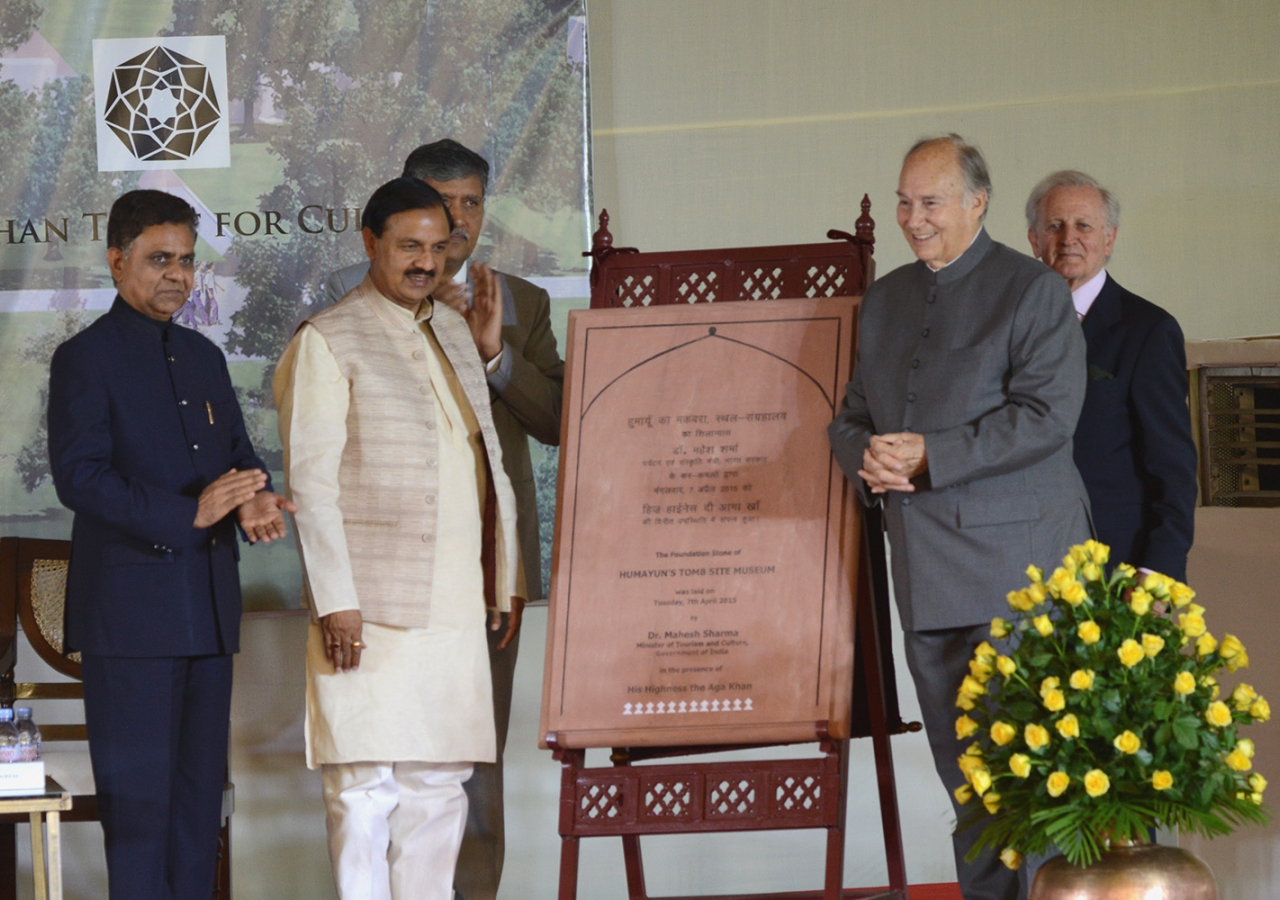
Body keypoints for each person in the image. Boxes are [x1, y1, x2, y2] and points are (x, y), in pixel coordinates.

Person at [828, 135, 1092, 899]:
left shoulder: (1030, 289)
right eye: (905, 201)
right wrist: (866, 458)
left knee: (1037, 788)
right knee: (969, 787)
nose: (914, 218)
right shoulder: (885, 299)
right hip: (925, 577)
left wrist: (928, 456)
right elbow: (849, 419)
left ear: (978, 203)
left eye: (931, 202)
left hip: (1020, 579)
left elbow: (1048, 417)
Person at [323, 138, 563, 900]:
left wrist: (495, 358)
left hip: (490, 575)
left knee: (473, 763)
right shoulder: (353, 307)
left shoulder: (523, 301)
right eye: (441, 201)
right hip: (384, 580)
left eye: (471, 204)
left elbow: (560, 418)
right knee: (376, 768)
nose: (456, 221)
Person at [275, 176, 525, 900]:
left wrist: (501, 573)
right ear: (370, 244)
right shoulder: (329, 337)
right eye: (408, 246)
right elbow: (312, 485)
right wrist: (336, 602)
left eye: (437, 248)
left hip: (452, 604)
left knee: (439, 782)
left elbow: (483, 462)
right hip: (368, 604)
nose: (425, 263)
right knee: (362, 786)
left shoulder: (450, 328)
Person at [46, 189, 294, 900]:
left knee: (198, 810)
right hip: (131, 619)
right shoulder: (83, 359)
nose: (177, 277)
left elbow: (241, 458)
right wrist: (189, 513)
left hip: (210, 612)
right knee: (140, 810)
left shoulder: (202, 357)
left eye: (186, 262)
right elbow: (80, 479)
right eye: (159, 260)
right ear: (117, 260)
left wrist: (257, 497)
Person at [1026, 170, 1197, 581]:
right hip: (1021, 566)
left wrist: (1157, 570)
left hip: (1115, 569)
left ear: (1109, 238)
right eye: (1054, 226)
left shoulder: (1149, 331)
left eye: (1084, 225)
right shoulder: (1010, 328)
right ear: (1033, 240)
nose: (1069, 239)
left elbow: (1173, 468)